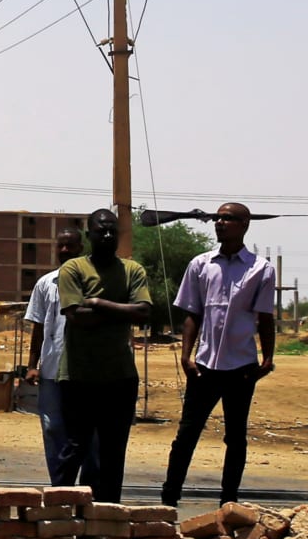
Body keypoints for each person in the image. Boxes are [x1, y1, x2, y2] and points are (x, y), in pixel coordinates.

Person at [159, 203, 278, 508]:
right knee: (186, 435)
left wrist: (267, 360)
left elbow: (265, 318)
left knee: (235, 438)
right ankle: (169, 498)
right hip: (204, 366)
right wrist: (186, 356)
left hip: (241, 367)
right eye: (218, 218)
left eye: (228, 218)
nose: (220, 223)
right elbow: (192, 314)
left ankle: (229, 502)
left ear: (244, 224)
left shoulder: (260, 269)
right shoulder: (200, 265)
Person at [55, 208, 149, 502]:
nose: (107, 235)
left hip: (119, 378)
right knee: (75, 447)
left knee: (113, 451)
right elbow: (75, 316)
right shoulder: (73, 269)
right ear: (89, 235)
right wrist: (122, 310)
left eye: (112, 230)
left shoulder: (132, 270)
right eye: (101, 230)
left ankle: (108, 512)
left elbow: (144, 312)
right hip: (78, 376)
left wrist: (97, 303)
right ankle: (59, 507)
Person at [22, 225, 97, 488]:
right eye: (61, 245)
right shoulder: (45, 284)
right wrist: (32, 366)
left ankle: (90, 491)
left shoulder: (92, 282)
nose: (65, 250)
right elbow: (38, 327)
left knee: (89, 435)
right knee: (53, 428)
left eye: (71, 245)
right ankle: (60, 487)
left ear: (81, 248)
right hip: (53, 370)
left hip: (86, 373)